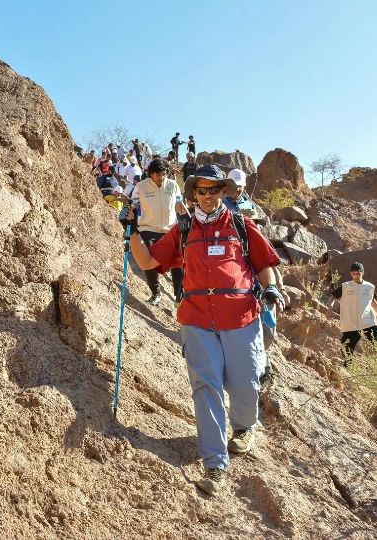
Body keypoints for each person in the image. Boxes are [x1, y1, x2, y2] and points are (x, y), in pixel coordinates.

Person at [119, 164, 287, 496]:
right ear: (194, 193)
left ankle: (243, 427)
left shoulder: (240, 224)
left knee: (245, 382)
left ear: (224, 191)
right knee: (205, 387)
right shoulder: (182, 229)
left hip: (241, 316)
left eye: (214, 190)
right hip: (196, 318)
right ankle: (214, 464)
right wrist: (132, 230)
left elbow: (264, 264)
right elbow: (150, 262)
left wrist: (270, 289)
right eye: (202, 190)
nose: (208, 196)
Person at [131, 159, 186, 306]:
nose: (161, 177)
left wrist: (187, 220)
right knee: (149, 261)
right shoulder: (140, 186)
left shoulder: (173, 185)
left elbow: (179, 205)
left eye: (164, 174)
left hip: (170, 229)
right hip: (148, 228)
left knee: (177, 263)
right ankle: (155, 293)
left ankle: (178, 296)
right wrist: (131, 222)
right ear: (150, 174)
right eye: (158, 175)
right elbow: (134, 206)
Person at [332, 262, 377, 362]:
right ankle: (348, 368)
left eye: (358, 273)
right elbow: (333, 296)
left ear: (362, 273)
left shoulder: (369, 287)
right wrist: (330, 308)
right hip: (352, 321)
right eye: (354, 274)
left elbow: (372, 301)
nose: (356, 276)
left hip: (368, 319)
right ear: (351, 274)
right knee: (346, 345)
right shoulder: (345, 286)